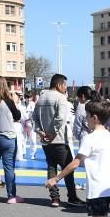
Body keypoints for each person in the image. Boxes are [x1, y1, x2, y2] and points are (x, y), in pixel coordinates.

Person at [33, 74, 83, 208]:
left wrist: (41, 132)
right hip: (59, 139)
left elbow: (34, 118)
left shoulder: (41, 98)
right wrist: (53, 132)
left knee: (51, 167)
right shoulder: (61, 98)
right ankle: (72, 197)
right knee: (68, 169)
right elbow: (60, 118)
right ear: (59, 85)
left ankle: (54, 198)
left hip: (45, 140)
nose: (66, 88)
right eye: (65, 85)